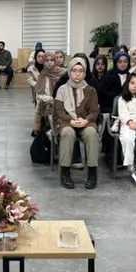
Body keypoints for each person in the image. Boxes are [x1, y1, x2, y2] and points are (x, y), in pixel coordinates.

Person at [54, 57, 101, 190]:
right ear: (69, 71)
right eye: (74, 70)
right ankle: (65, 173)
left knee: (91, 133)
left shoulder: (91, 90)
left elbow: (94, 111)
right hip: (66, 122)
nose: (77, 74)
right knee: (68, 133)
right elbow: (58, 111)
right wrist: (70, 120)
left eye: (81, 71)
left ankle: (92, 173)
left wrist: (86, 120)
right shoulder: (62, 89)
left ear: (85, 73)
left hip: (85, 122)